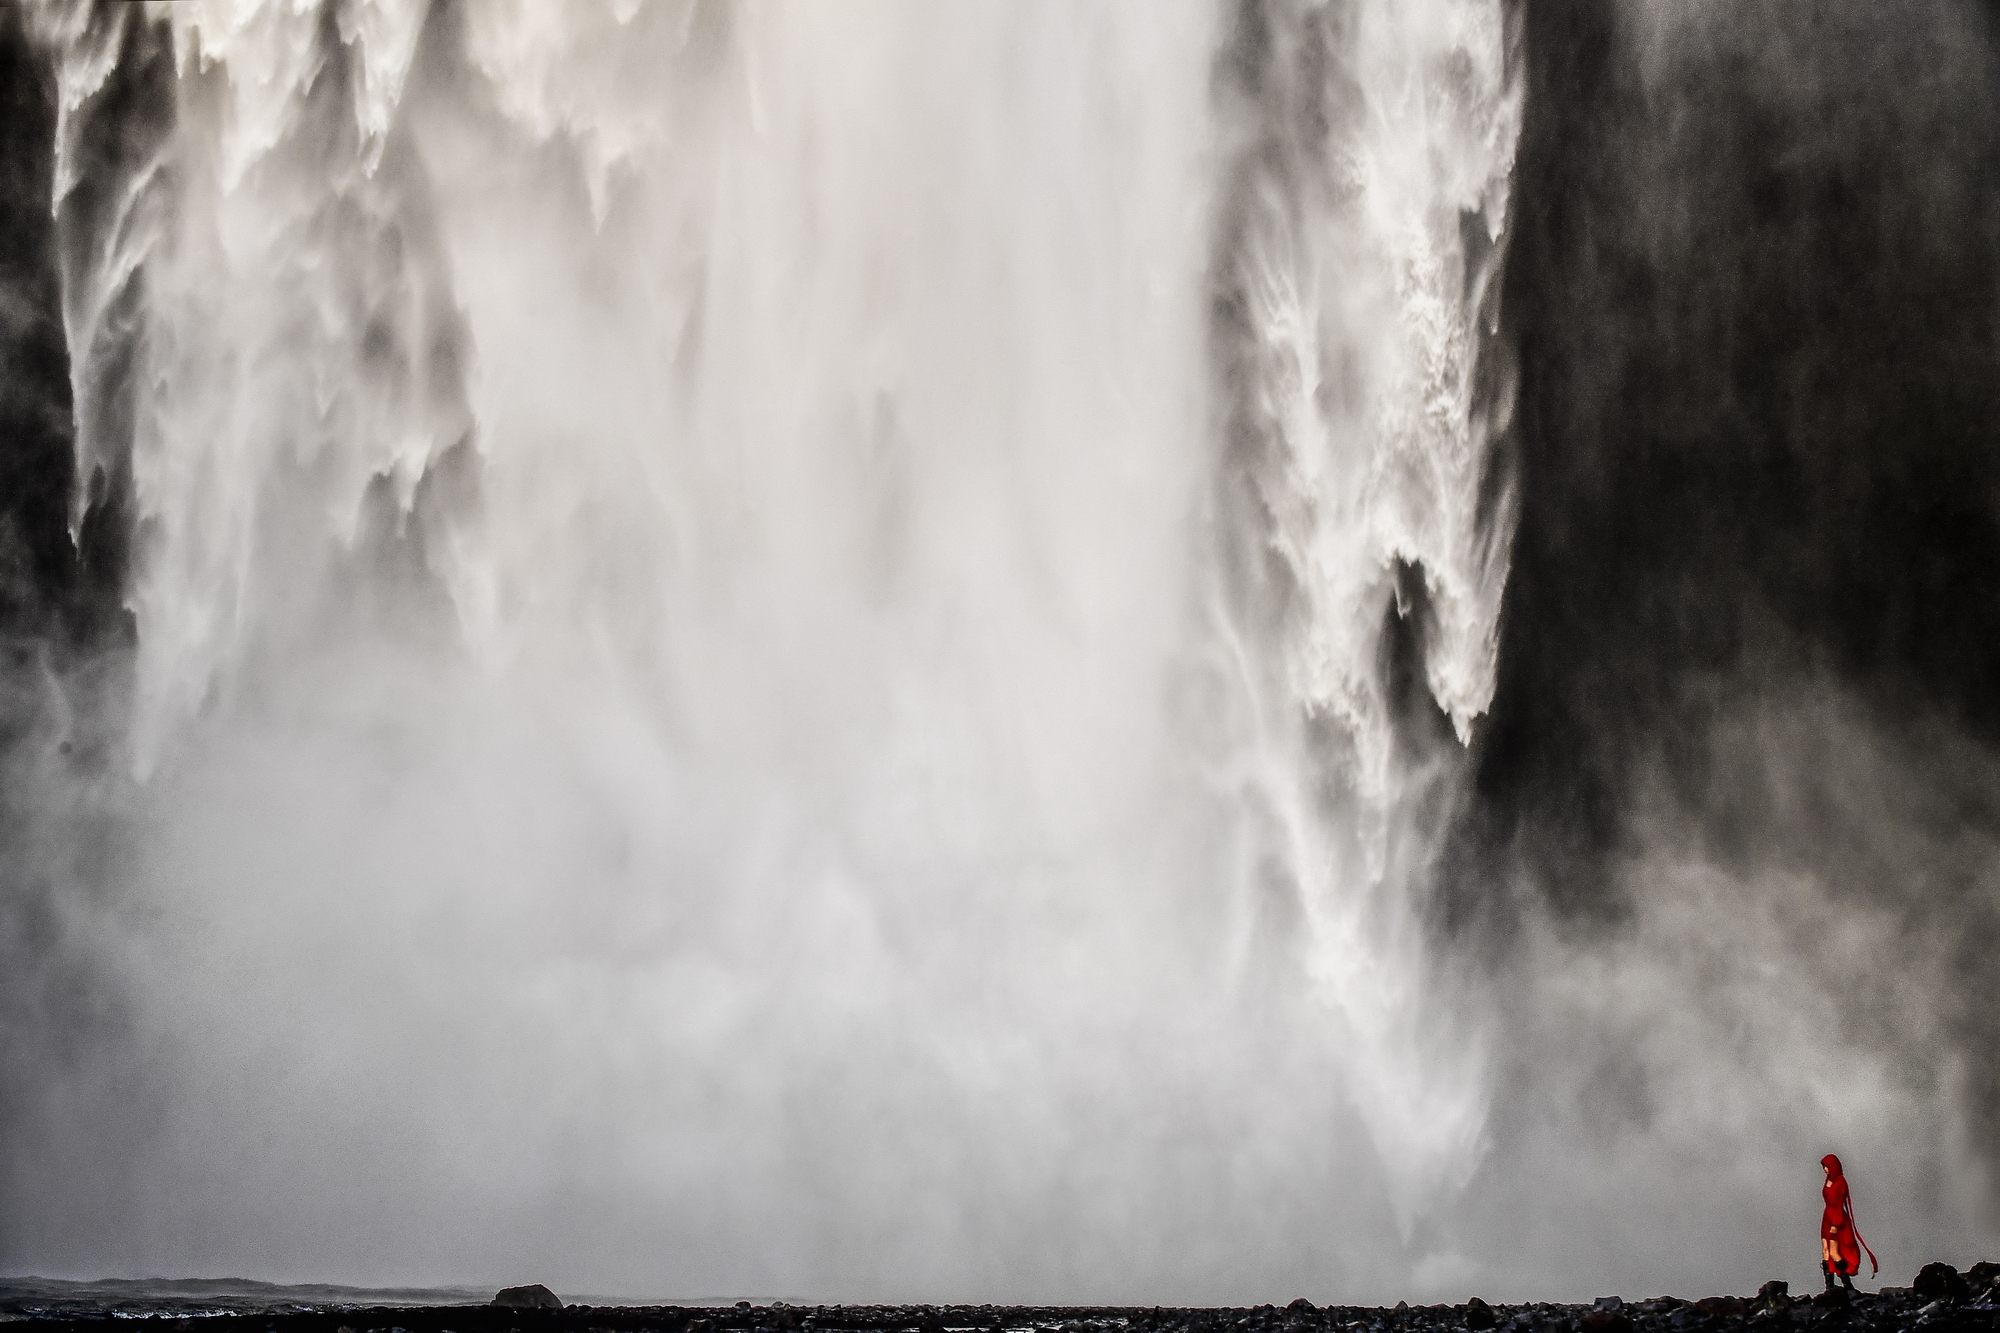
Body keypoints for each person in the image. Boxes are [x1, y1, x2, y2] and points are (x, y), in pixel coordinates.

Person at [1820, 1154, 1877, 1291]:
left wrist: (1835, 1224)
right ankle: (1829, 1286)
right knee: (1826, 1250)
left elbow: (1839, 1204)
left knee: (1835, 1252)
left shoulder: (1840, 1181)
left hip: (1836, 1218)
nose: (1825, 1170)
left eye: (1827, 1167)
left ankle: (1847, 1283)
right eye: (1824, 1167)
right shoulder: (1829, 1180)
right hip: (1827, 1216)